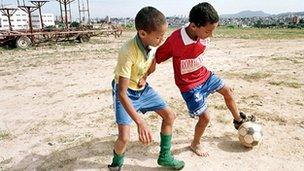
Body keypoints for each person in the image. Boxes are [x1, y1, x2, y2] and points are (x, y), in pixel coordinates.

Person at [154, 2, 255, 157]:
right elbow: (156, 57)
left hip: (204, 75)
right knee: (205, 117)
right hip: (189, 86)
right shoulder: (176, 40)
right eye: (208, 31)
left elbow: (200, 45)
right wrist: (143, 76)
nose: (211, 35)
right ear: (194, 26)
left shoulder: (201, 33)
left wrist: (207, 33)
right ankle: (195, 143)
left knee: (228, 90)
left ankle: (238, 121)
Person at [108, 6, 185, 170]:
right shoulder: (127, 51)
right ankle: (116, 164)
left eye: (163, 35)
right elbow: (121, 93)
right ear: (142, 33)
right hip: (126, 93)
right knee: (124, 138)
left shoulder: (153, 43)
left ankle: (165, 156)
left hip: (142, 89)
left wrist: (144, 76)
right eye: (159, 36)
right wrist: (140, 121)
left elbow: (152, 61)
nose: (162, 39)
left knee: (170, 116)